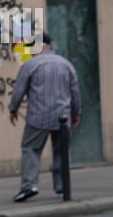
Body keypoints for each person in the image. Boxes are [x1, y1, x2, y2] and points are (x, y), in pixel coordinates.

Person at [8, 33, 81, 202]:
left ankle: (29, 186)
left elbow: (19, 90)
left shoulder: (30, 65)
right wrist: (76, 113)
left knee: (30, 149)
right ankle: (63, 187)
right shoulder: (66, 64)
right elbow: (75, 92)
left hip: (38, 117)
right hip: (63, 117)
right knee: (61, 152)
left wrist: (13, 109)